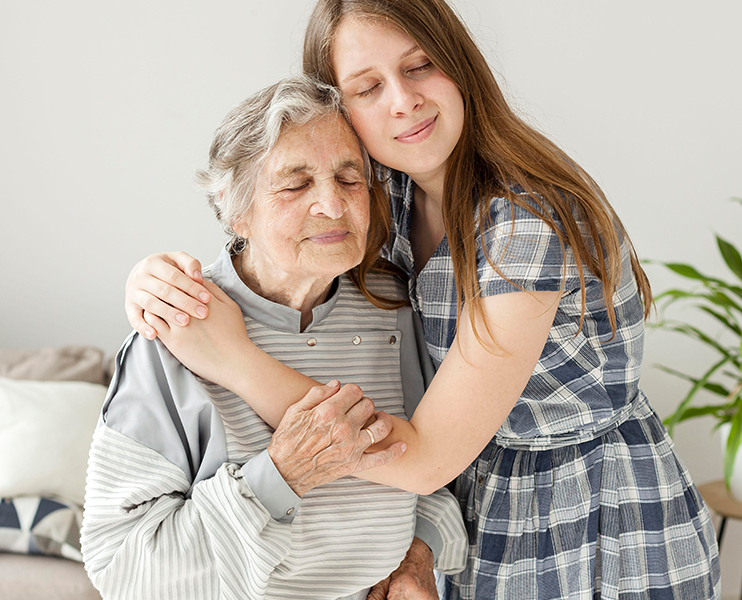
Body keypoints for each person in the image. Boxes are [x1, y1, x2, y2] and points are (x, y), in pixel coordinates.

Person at [122, 0, 721, 598]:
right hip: (483, 502)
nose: (402, 100)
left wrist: (232, 360)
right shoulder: (394, 198)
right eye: (367, 86)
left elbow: (428, 457)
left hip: (593, 514)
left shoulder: (523, 228)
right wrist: (160, 280)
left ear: (458, 65)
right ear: (339, 111)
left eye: (419, 66)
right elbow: (271, 224)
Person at [81, 75, 468, 600]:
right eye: (296, 183)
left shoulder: (394, 304)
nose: (333, 205)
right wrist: (282, 474)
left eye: (350, 179)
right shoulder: (174, 326)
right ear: (235, 207)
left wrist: (419, 554)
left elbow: (437, 464)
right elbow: (124, 570)